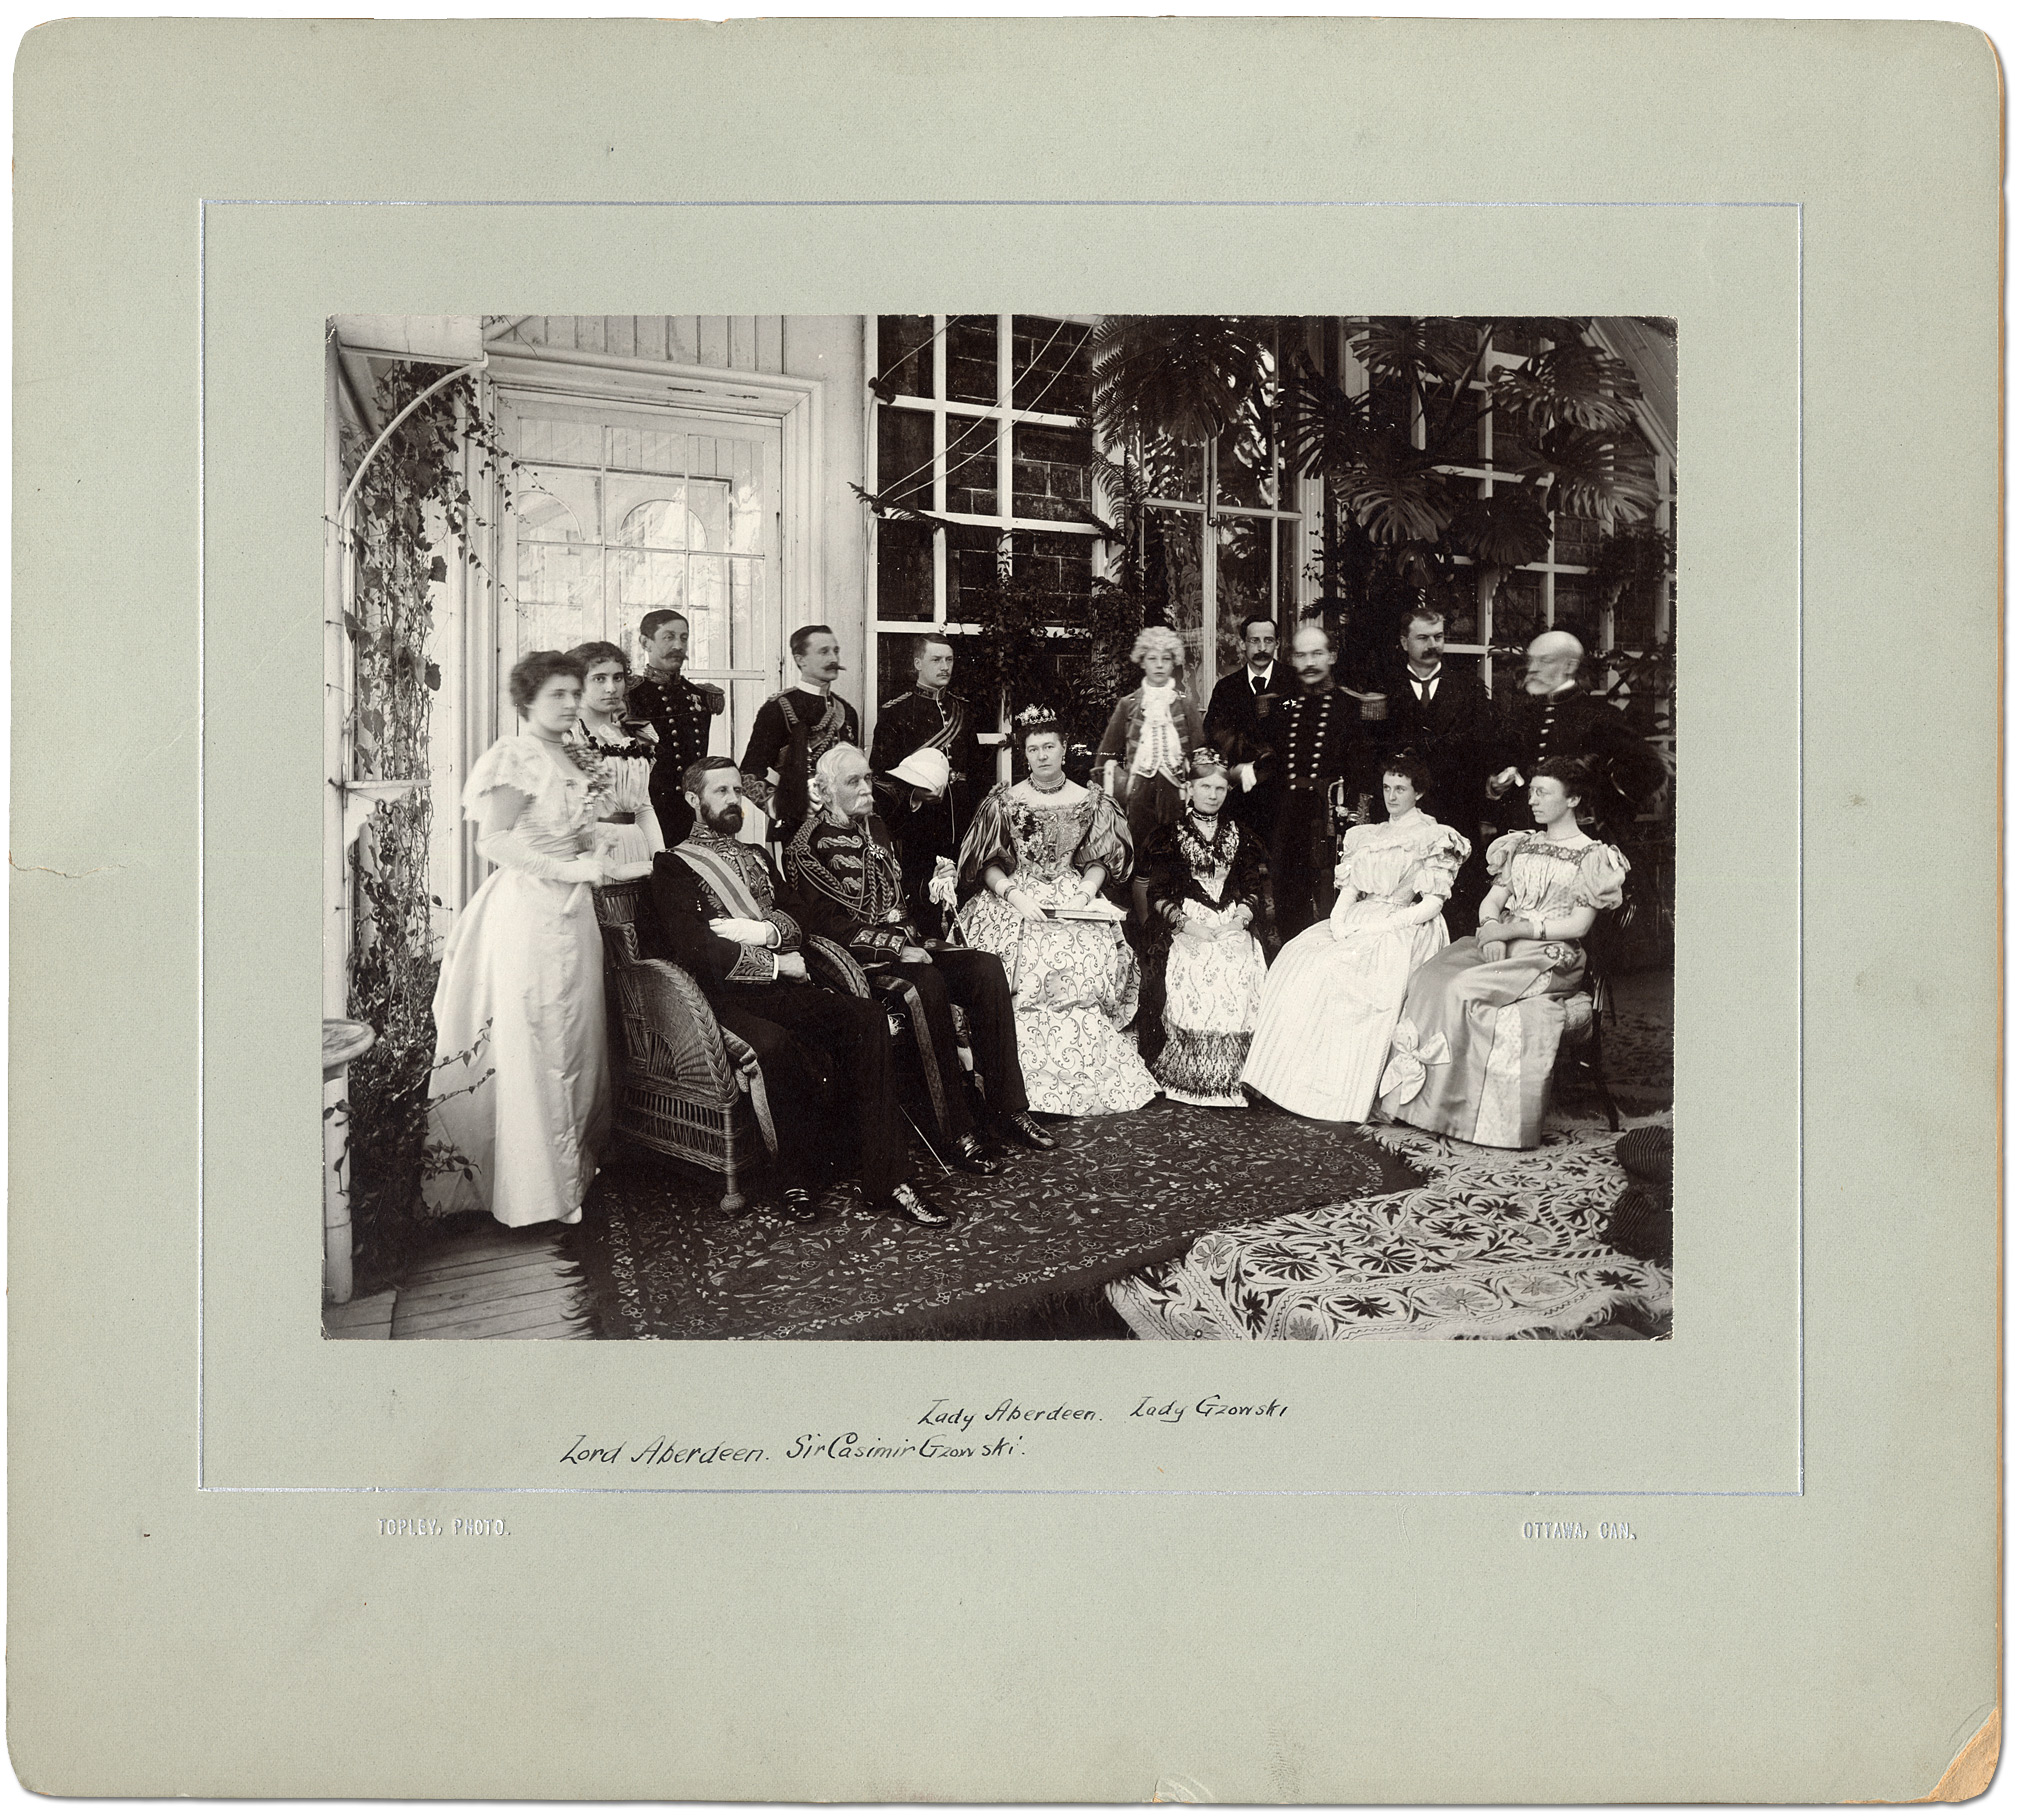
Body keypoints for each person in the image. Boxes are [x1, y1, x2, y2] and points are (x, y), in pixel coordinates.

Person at [646, 757, 953, 1228]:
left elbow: (798, 918)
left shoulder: (757, 855)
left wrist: (760, 933)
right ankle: (795, 1180)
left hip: (787, 980)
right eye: (721, 792)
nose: (734, 801)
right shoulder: (672, 866)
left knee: (866, 1016)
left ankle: (888, 1178)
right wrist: (772, 959)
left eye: (737, 791)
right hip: (722, 999)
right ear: (693, 800)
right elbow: (696, 949)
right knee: (776, 1046)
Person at [786, 743, 1055, 1166]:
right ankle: (957, 1131)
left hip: (911, 944)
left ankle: (1008, 1110)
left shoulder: (875, 828)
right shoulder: (806, 846)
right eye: (852, 782)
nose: (865, 789)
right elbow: (825, 927)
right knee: (925, 985)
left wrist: (934, 885)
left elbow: (899, 896)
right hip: (860, 963)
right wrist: (897, 948)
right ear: (823, 790)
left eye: (867, 778)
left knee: (985, 967)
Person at [424, 651, 612, 1229]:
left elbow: (575, 829)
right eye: (558, 693)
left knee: (578, 1039)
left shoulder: (574, 754)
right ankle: (538, 1191)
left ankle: (571, 1169)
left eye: (574, 692)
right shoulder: (516, 756)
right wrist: (570, 870)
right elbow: (495, 842)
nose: (571, 702)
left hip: (576, 915)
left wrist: (592, 851)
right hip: (529, 913)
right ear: (526, 699)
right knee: (539, 1038)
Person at [1380, 756, 1628, 1150]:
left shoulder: (1593, 855)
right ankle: (1418, 1104)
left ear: (1574, 799)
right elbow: (1492, 900)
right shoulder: (1522, 844)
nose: (1532, 800)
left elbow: (1579, 926)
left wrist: (1512, 929)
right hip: (1502, 940)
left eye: (1543, 792)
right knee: (1426, 978)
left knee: (1461, 988)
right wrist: (1492, 927)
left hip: (1550, 954)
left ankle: (1452, 1112)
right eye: (1531, 791)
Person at [1240, 755, 1471, 1124]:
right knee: (1298, 957)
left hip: (1405, 923)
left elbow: (1431, 904)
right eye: (1386, 788)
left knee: (1345, 972)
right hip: (1363, 917)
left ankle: (1340, 1096)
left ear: (1419, 793)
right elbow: (1350, 891)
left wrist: (1384, 926)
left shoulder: (1434, 836)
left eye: (1401, 789)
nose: (1391, 797)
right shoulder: (1368, 835)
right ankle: (1287, 1082)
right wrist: (1339, 922)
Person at [955, 710, 1159, 1116]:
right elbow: (986, 863)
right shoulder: (1005, 800)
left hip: (1072, 893)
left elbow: (1101, 857)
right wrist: (1012, 894)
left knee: (1085, 967)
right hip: (1019, 894)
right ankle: (1016, 1089)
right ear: (1024, 755)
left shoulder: (1090, 800)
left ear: (1064, 750)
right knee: (1024, 972)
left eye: (1050, 747)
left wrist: (1086, 891)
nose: (1042, 756)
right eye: (1033, 749)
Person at [1138, 748, 1271, 1107]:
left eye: (1221, 789)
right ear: (1189, 789)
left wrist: (1239, 920)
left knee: (1239, 960)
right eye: (1205, 787)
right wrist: (1188, 926)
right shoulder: (1169, 835)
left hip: (1230, 918)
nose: (1213, 795)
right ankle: (1192, 1074)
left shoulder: (1239, 834)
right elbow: (1159, 894)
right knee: (1197, 963)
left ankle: (1237, 1074)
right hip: (1185, 922)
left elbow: (1251, 889)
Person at [1250, 620, 1378, 940]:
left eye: (1317, 654)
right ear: (1291, 659)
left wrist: (1355, 820)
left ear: (1332, 656)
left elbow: (1364, 773)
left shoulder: (1352, 707)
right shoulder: (1278, 708)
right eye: (1301, 655)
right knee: (1288, 903)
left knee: (1333, 904)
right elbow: (1269, 770)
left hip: (1331, 821)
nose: (1309, 663)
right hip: (1288, 820)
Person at [1486, 629, 1668, 842]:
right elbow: (1500, 770)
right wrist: (1496, 785)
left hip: (1580, 841)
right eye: (1532, 661)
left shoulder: (1598, 715)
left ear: (1570, 666)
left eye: (1544, 661)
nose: (1533, 669)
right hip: (1524, 838)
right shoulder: (1522, 716)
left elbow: (1651, 770)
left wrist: (1600, 804)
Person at [1378, 604, 1496, 930]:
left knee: (1456, 902)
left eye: (1439, 637)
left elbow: (1483, 749)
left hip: (1455, 812)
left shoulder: (1468, 688)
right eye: (1423, 638)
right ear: (1404, 642)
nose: (1432, 645)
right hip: (1402, 817)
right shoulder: (1385, 688)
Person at [868, 632, 985, 931]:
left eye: (949, 659)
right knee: (925, 906)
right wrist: (914, 794)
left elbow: (979, 771)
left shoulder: (964, 710)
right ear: (918, 663)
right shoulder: (896, 712)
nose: (945, 666)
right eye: (936, 659)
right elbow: (878, 778)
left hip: (963, 823)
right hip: (919, 827)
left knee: (965, 900)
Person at [740, 623, 860, 845]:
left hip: (846, 828)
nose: (833, 658)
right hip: (797, 831)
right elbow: (749, 773)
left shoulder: (847, 711)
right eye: (823, 651)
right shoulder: (779, 709)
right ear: (800, 659)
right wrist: (785, 808)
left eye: (835, 651)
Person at [1095, 624, 1207, 856]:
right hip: (1139, 790)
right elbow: (1105, 754)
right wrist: (1115, 789)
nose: (1158, 665)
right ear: (1142, 661)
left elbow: (1199, 753)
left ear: (1173, 662)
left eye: (1165, 659)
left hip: (1175, 790)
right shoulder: (1128, 704)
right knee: (1139, 849)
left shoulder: (1185, 704)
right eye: (1152, 658)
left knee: (1177, 848)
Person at [626, 608, 722, 847]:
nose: (678, 645)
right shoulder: (631, 696)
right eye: (668, 637)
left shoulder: (701, 695)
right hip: (651, 818)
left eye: (684, 637)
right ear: (645, 643)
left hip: (695, 816)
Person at [566, 639, 662, 878]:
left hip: (636, 850)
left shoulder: (635, 735)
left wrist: (662, 859)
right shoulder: (568, 737)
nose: (611, 688)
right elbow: (562, 817)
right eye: (599, 678)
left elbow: (643, 808)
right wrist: (612, 869)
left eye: (617, 678)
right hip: (588, 856)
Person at [1204, 613, 1286, 841]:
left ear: (1277, 644)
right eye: (1254, 641)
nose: (1262, 648)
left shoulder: (1292, 683)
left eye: (1268, 640)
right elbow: (1212, 740)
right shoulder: (1226, 689)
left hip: (1284, 800)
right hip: (1241, 799)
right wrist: (1232, 772)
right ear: (1242, 644)